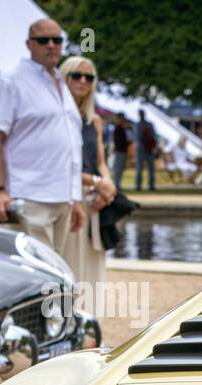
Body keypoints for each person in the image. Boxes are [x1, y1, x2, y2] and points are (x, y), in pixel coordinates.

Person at [0, 18, 83, 254]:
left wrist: (75, 196)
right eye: (43, 40)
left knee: (56, 273)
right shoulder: (9, 82)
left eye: (57, 40)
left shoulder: (61, 82)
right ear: (29, 44)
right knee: (38, 272)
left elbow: (70, 142)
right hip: (30, 194)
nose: (51, 45)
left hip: (63, 198)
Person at [60, 56, 117, 312]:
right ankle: (68, 318)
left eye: (89, 77)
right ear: (65, 77)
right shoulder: (58, 117)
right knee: (71, 261)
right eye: (76, 75)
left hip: (96, 198)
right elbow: (62, 165)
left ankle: (91, 321)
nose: (83, 81)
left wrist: (107, 184)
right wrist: (96, 181)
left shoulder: (94, 121)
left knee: (94, 265)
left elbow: (100, 160)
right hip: (71, 194)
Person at [134, 109, 157, 191]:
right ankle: (138, 185)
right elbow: (137, 137)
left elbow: (153, 136)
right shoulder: (137, 125)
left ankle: (151, 185)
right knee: (139, 168)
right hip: (141, 149)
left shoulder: (149, 124)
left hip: (149, 149)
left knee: (151, 168)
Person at [110, 117, 130, 186]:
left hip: (122, 151)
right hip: (119, 151)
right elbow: (118, 141)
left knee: (120, 169)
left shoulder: (122, 128)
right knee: (117, 169)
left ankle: (117, 184)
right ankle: (116, 184)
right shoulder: (118, 128)